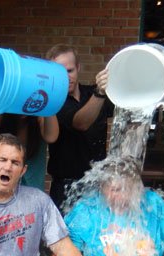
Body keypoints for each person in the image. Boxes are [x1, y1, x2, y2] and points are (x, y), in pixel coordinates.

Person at [45, 44, 113, 211]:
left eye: (69, 71)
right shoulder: (53, 101)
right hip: (66, 187)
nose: (66, 77)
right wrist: (100, 93)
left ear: (78, 68)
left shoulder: (92, 93)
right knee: (64, 236)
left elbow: (126, 103)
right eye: (59, 73)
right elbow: (80, 122)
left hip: (98, 183)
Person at [0, 113, 59, 190]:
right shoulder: (2, 111)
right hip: (2, 189)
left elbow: (51, 137)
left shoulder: (40, 115)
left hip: (32, 190)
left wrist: (47, 105)